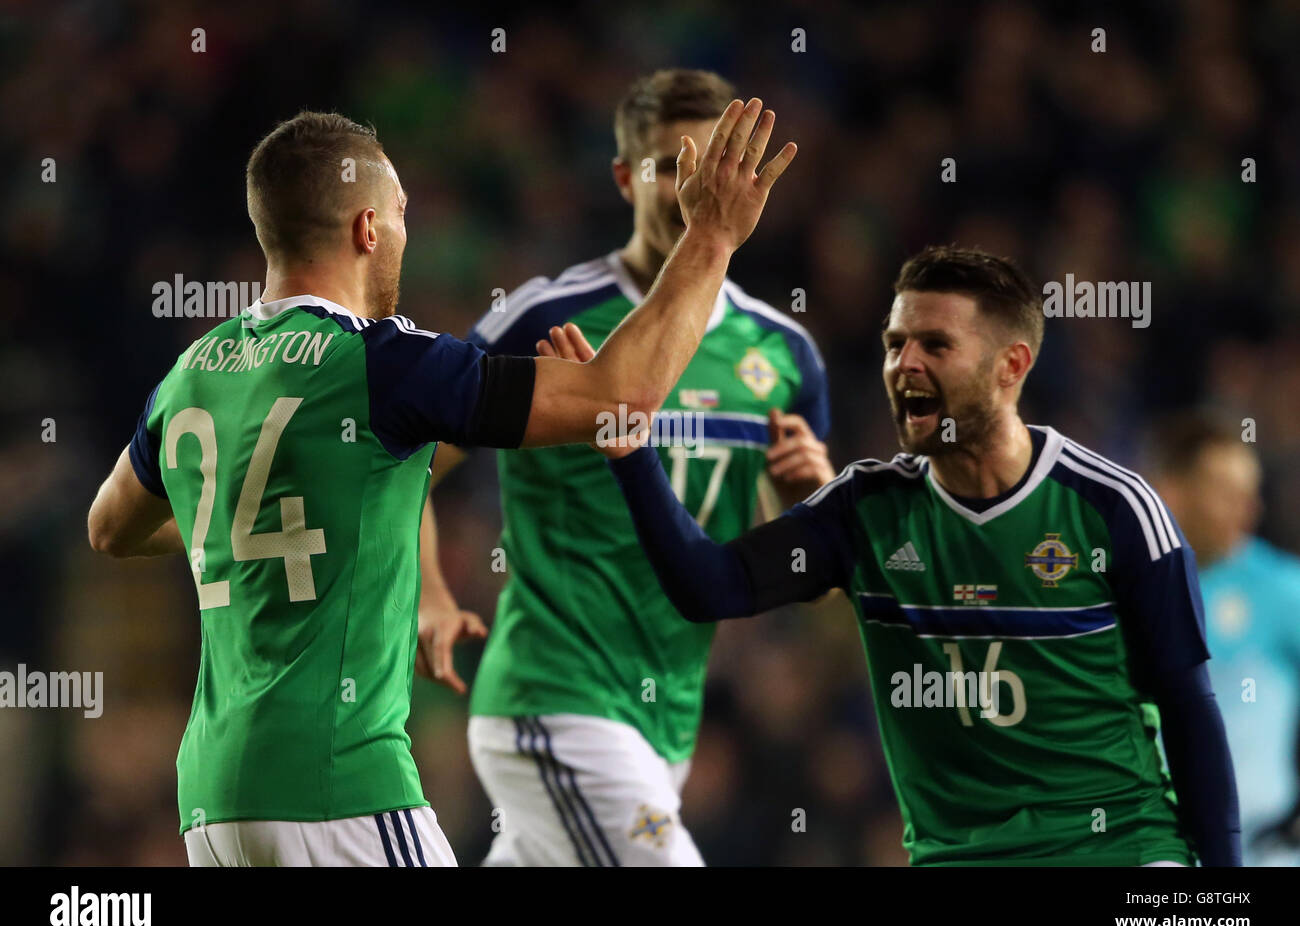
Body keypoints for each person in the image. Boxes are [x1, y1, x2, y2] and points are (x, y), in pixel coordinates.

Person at [85, 100, 796, 866]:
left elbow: (108, 528)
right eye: (399, 214)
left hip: (213, 804)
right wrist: (713, 237)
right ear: (366, 228)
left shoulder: (192, 373)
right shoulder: (384, 364)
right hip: (342, 787)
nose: (404, 234)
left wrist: (224, 523)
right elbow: (621, 398)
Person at [580, 244, 1240, 865]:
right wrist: (632, 452)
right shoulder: (866, 511)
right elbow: (711, 588)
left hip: (1118, 852)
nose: (905, 365)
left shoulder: (1115, 511)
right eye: (896, 344)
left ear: (1011, 366)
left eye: (935, 345)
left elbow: (1188, 709)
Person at [419, 69, 833, 867]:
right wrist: (432, 594)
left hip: (667, 719)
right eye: (672, 167)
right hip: (555, 696)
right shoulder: (541, 317)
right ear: (623, 176)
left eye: (715, 168)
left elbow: (802, 567)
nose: (696, 192)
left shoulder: (784, 352)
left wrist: (813, 502)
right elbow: (408, 460)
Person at [1151, 411, 1300, 866]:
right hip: (1159, 848)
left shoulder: (1282, 588)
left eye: (1250, 494)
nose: (1249, 508)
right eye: (1227, 493)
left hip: (1265, 851)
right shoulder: (1132, 592)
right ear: (1173, 491)